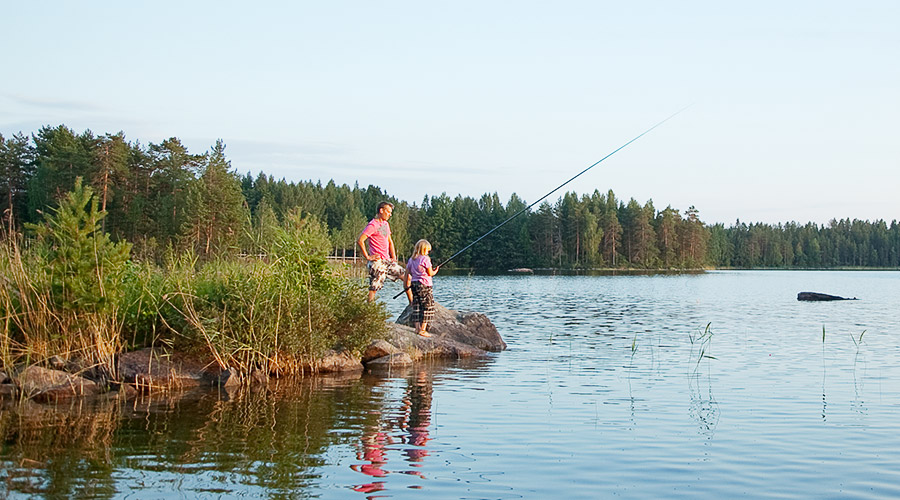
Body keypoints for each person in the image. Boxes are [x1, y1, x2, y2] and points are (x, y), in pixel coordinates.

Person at [358, 202, 411, 302]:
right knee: (375, 286)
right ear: (381, 211)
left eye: (391, 212)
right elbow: (360, 240)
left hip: (387, 261)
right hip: (377, 262)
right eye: (388, 212)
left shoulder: (385, 224)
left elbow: (389, 241)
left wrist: (394, 257)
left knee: (406, 277)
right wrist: (368, 257)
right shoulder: (373, 225)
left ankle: (412, 303)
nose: (390, 214)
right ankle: (369, 309)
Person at [405, 239, 439, 337]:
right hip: (425, 285)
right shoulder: (425, 259)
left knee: (416, 306)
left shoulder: (412, 259)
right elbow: (430, 273)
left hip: (414, 285)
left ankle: (417, 328)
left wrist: (406, 285)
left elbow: (407, 272)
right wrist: (435, 270)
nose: (428, 252)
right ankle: (423, 330)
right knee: (428, 307)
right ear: (424, 250)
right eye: (428, 250)